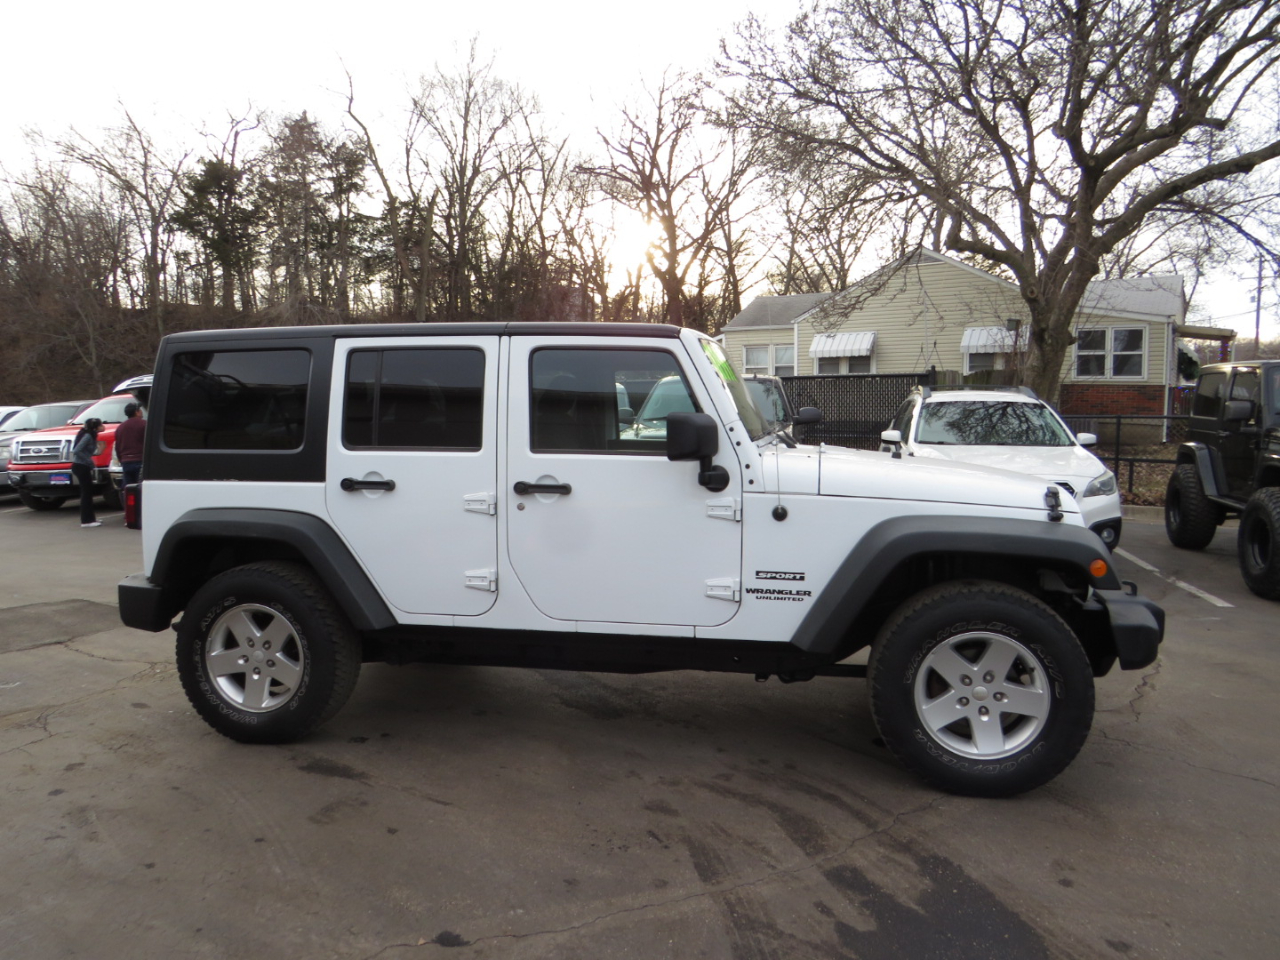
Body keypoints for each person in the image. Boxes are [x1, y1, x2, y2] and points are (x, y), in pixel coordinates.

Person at [70, 417, 103, 528]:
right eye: (100, 425)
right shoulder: (88, 436)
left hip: (83, 466)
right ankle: (86, 520)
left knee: (88, 492)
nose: (103, 426)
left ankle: (91, 518)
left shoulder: (91, 435)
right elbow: (77, 450)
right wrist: (89, 461)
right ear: (95, 427)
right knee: (86, 493)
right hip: (81, 466)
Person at [115, 401, 146, 489]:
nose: (141, 411)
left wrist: (122, 460)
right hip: (140, 461)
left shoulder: (120, 427)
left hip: (126, 462)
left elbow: (117, 447)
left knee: (128, 489)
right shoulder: (144, 424)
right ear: (136, 412)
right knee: (141, 489)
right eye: (140, 409)